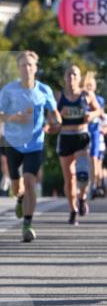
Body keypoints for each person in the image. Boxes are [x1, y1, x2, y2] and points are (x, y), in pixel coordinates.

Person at [0, 51, 60, 242]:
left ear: (36, 68)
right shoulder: (9, 90)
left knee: (30, 180)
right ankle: (20, 199)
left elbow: (55, 114)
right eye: (23, 65)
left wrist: (55, 122)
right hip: (12, 142)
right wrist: (13, 117)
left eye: (30, 65)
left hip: (35, 143)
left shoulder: (44, 90)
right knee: (17, 186)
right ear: (18, 68)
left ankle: (27, 224)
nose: (27, 68)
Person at [55, 63, 102, 224]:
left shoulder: (86, 95)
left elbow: (99, 110)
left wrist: (92, 115)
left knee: (82, 173)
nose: (71, 78)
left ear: (79, 78)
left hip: (81, 136)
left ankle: (82, 197)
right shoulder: (59, 96)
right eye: (69, 74)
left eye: (75, 74)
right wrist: (57, 117)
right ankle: (72, 209)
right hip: (65, 136)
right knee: (69, 179)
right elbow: (51, 117)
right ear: (65, 78)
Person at [83, 71, 105, 198]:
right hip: (83, 133)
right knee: (84, 160)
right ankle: (87, 186)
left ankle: (95, 185)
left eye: (91, 86)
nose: (89, 89)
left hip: (95, 133)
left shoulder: (99, 100)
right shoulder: (81, 99)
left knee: (94, 159)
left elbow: (101, 115)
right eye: (87, 86)